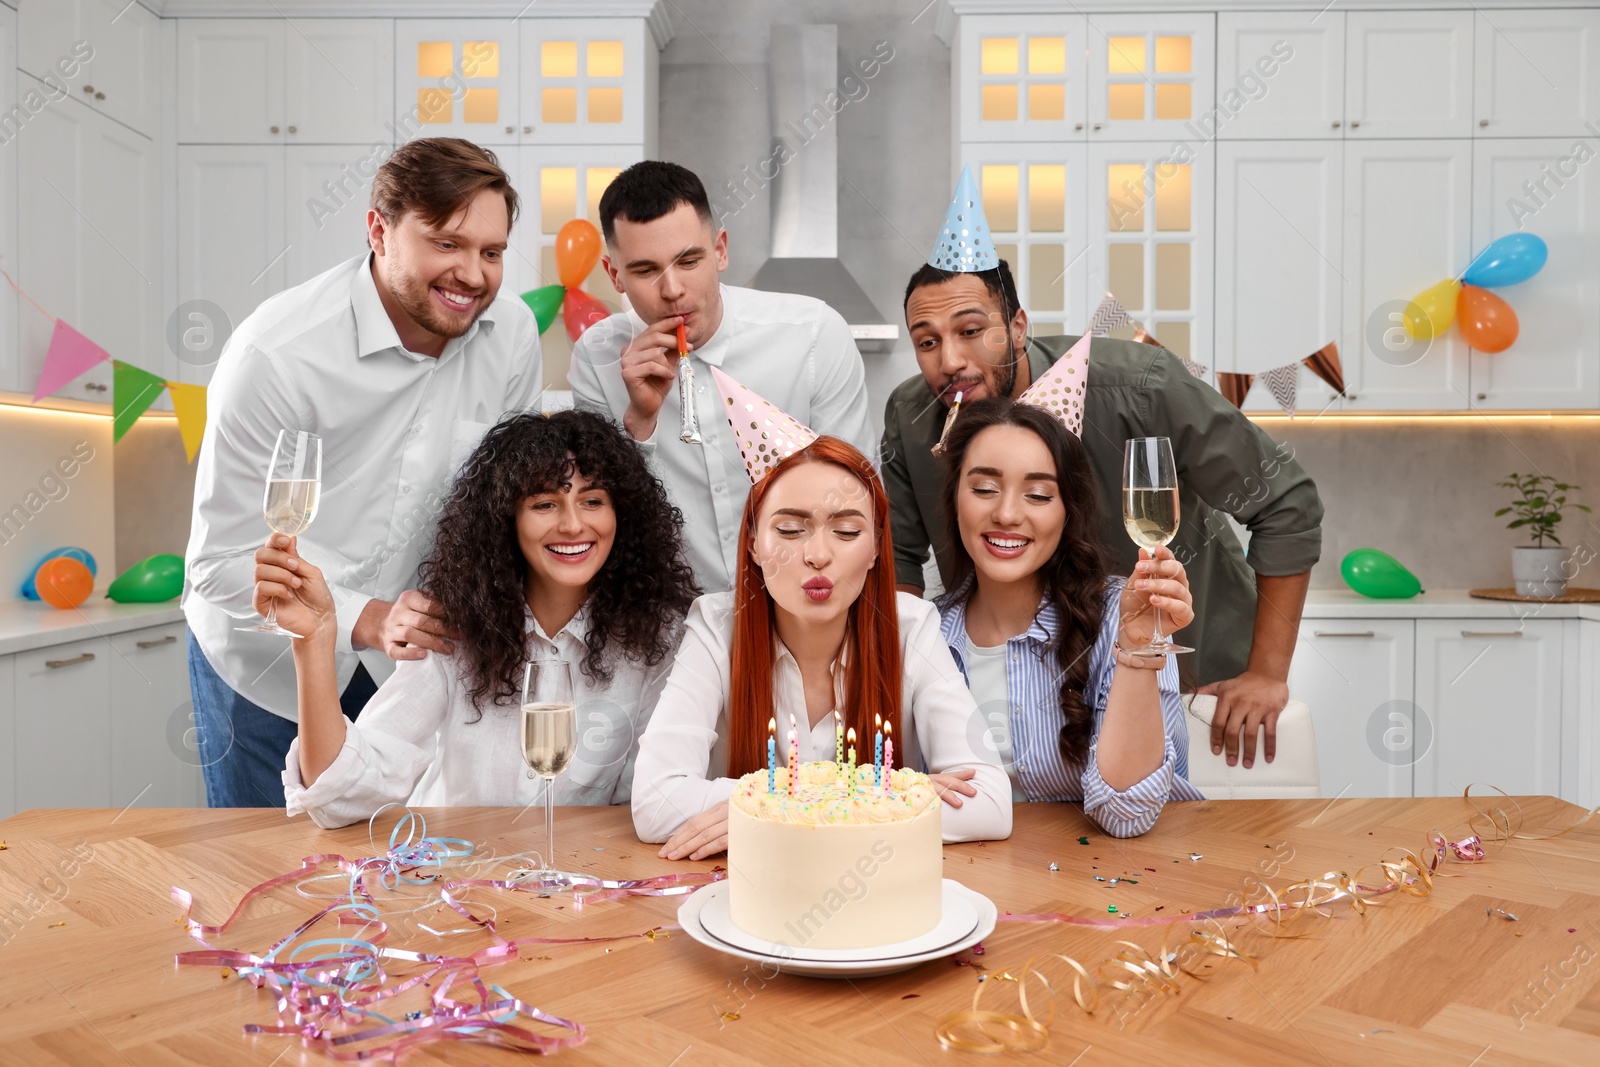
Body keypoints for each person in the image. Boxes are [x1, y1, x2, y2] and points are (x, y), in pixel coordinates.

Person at [881, 171, 1323, 771]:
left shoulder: (1141, 386)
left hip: (1198, 678)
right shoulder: (911, 416)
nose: (950, 360)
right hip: (1025, 699)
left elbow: (1287, 504)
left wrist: (1266, 672)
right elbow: (899, 561)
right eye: (926, 341)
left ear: (1016, 325)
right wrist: (900, 680)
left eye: (971, 330)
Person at [184, 138, 546, 807]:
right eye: (447, 243)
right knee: (266, 878)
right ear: (379, 229)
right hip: (263, 673)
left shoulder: (512, 336)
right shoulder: (277, 356)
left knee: (387, 881)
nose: (474, 274)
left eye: (491, 252)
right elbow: (218, 562)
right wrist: (368, 617)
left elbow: (506, 501)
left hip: (407, 667)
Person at [251, 411, 699, 830]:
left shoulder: (661, 640)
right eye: (545, 504)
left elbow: (648, 804)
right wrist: (313, 641)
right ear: (508, 518)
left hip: (580, 888)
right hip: (456, 880)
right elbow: (338, 800)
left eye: (593, 500)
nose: (572, 524)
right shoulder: (454, 628)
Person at [631, 372, 1011, 859]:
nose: (817, 555)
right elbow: (655, 802)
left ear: (876, 549)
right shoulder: (715, 626)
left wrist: (767, 806)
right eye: (790, 530)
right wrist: (888, 797)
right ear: (753, 542)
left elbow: (992, 803)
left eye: (847, 533)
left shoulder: (911, 626)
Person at [568, 160, 875, 592]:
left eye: (689, 260)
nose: (672, 289)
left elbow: (855, 498)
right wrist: (639, 423)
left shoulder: (814, 335)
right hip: (667, 627)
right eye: (645, 270)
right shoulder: (597, 359)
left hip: (802, 608)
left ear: (720, 251)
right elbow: (595, 526)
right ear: (614, 275)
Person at [934, 395, 1204, 838]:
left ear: (1067, 512)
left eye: (1039, 494)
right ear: (954, 498)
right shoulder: (924, 634)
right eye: (984, 488)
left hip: (1117, 883)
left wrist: (1136, 644)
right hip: (969, 882)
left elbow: (1127, 814)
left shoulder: (1125, 614)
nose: (1006, 514)